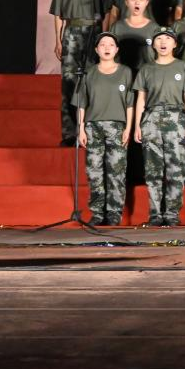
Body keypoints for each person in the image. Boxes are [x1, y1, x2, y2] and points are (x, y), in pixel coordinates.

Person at [50, 0, 111, 145]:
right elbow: (58, 14)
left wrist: (104, 38)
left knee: (94, 83)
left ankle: (92, 132)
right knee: (69, 84)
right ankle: (69, 134)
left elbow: (108, 13)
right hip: (72, 33)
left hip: (95, 33)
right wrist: (58, 41)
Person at [132, 27, 185, 226]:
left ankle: (172, 214)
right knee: (153, 170)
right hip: (151, 118)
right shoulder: (146, 69)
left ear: (174, 44)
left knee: (176, 169)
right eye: (159, 39)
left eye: (167, 39)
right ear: (153, 44)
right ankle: (155, 214)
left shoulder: (183, 67)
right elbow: (140, 99)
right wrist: (137, 125)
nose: (163, 42)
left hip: (176, 119)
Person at [72, 32, 133, 226]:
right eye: (103, 44)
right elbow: (82, 104)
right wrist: (81, 128)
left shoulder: (125, 72)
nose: (107, 48)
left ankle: (114, 213)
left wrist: (128, 128)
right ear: (97, 50)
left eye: (111, 44)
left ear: (117, 49)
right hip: (93, 126)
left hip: (117, 126)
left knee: (117, 171)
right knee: (94, 171)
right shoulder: (88, 73)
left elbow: (130, 104)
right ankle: (97, 213)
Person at [111, 0, 159, 72]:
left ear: (147, 2)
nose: (137, 3)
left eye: (141, 0)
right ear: (126, 2)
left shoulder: (154, 28)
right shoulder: (117, 27)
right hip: (121, 73)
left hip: (147, 73)